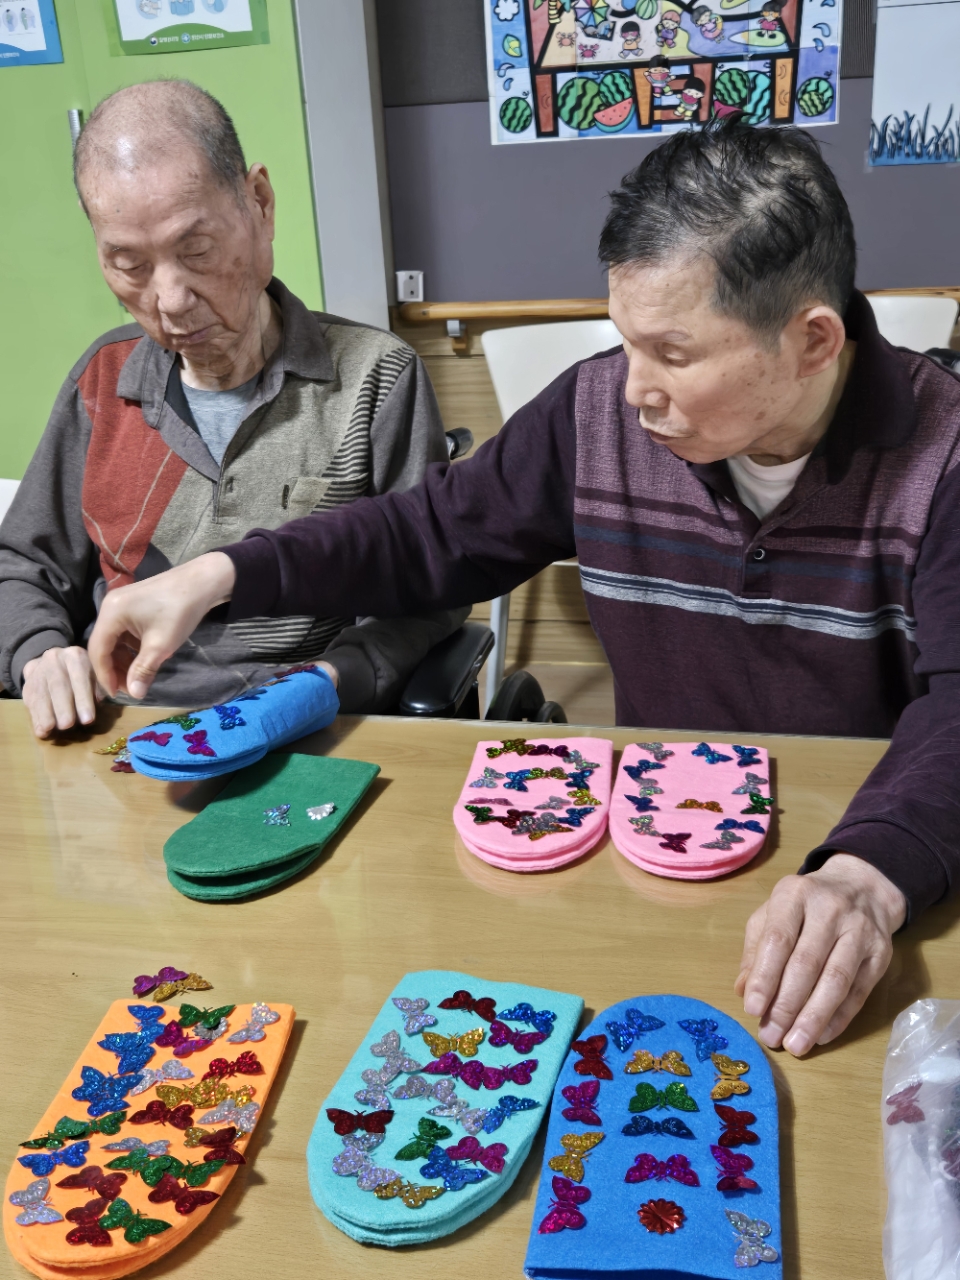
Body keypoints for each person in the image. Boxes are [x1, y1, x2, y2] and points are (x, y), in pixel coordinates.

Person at [89, 122, 960, 1058]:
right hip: (661, 852)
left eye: (673, 353)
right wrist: (223, 574)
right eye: (625, 343)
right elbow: (430, 533)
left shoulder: (944, 456)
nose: (634, 391)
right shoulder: (594, 413)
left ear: (813, 341)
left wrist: (868, 873)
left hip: (865, 860)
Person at [0, 80, 464, 737]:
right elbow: (24, 565)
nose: (171, 300)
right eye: (129, 265)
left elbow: (427, 585)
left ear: (260, 204)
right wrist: (39, 652)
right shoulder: (104, 379)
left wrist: (332, 680)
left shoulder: (374, 377)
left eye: (196, 251)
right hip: (117, 723)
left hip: (302, 724)